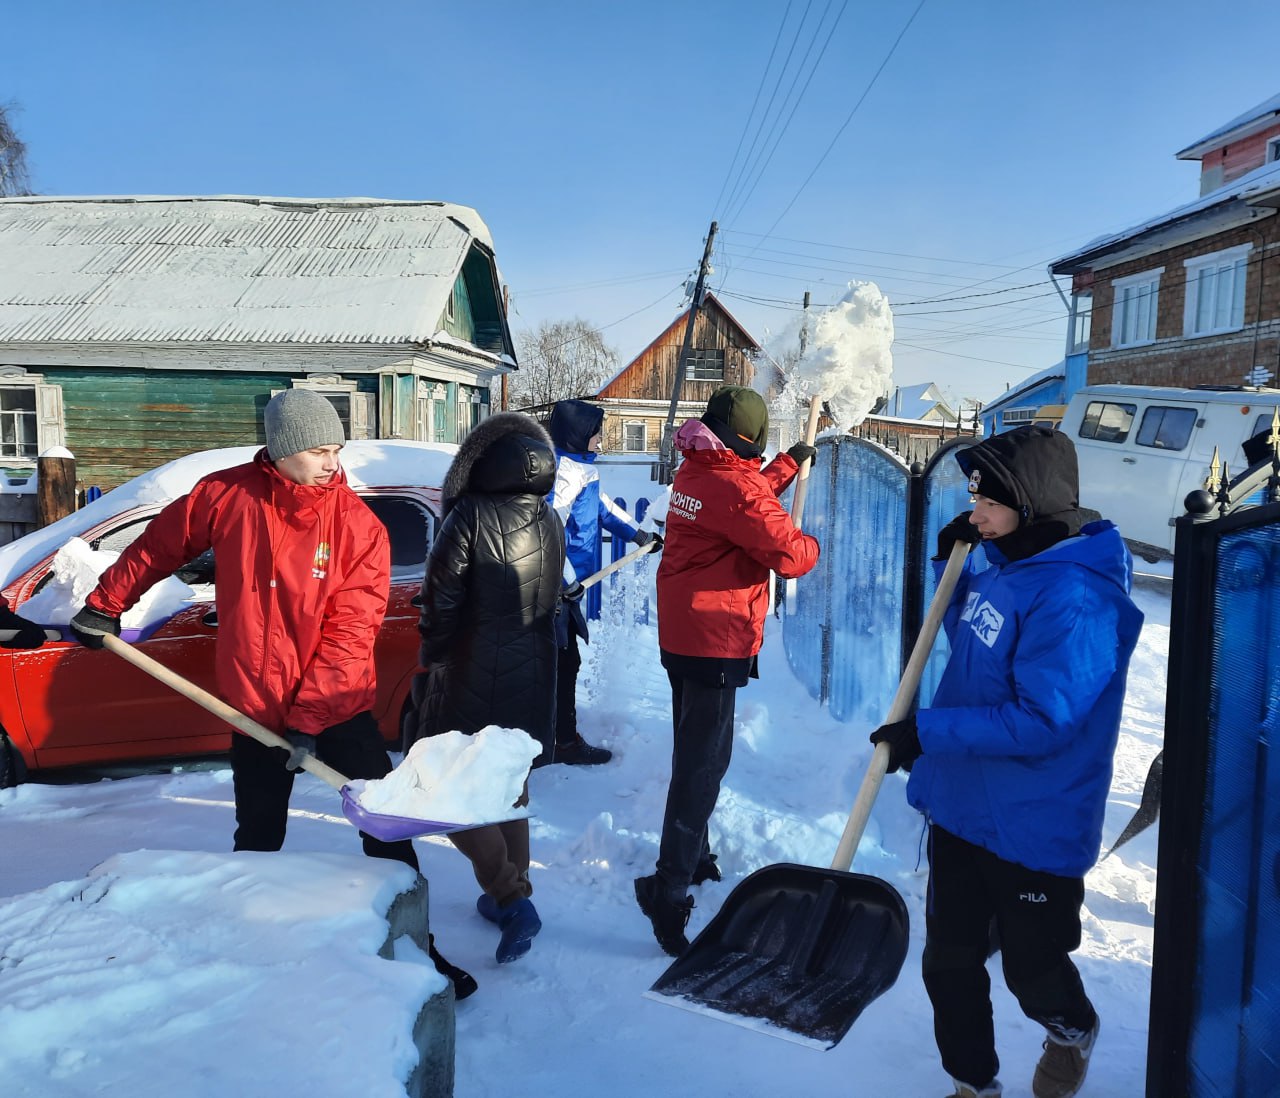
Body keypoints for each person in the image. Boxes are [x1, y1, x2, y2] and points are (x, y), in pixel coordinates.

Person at [68, 388, 476, 1000]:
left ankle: (420, 948)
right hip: (253, 706)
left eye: (336, 448)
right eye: (317, 450)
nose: (331, 462)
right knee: (258, 838)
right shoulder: (225, 495)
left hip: (338, 709)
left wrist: (310, 718)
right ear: (282, 450)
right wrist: (105, 603)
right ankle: (250, 949)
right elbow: (159, 544)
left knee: (384, 833)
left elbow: (349, 634)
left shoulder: (356, 528)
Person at [868, 426, 1143, 1098]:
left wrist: (926, 732)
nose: (974, 513)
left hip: (1033, 822)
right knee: (949, 962)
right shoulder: (1012, 564)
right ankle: (972, 1083)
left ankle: (1071, 1028)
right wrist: (948, 568)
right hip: (965, 804)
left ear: (1033, 500)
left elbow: (1043, 720)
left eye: (988, 501)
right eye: (971, 497)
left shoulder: (1076, 597)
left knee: (1031, 968)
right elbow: (968, 635)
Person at [634, 385, 820, 956]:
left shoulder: (696, 467)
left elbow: (744, 495)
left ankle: (696, 857)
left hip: (685, 632)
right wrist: (809, 538)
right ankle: (666, 893)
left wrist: (789, 466)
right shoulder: (735, 488)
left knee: (693, 753)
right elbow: (792, 554)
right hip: (715, 637)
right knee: (704, 766)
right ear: (750, 440)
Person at [406, 411, 563, 964]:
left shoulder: (468, 515)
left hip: (471, 673)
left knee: (448, 787)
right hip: (534, 672)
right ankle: (512, 896)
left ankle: (510, 896)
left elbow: (441, 597)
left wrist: (433, 653)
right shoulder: (547, 518)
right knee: (507, 783)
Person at [546, 399, 658, 766]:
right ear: (579, 434)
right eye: (596, 433)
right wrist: (563, 581)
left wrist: (638, 534)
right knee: (562, 665)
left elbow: (603, 507)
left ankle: (553, 735)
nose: (600, 439)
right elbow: (547, 534)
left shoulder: (581, 468)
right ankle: (561, 741)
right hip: (554, 592)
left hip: (567, 589)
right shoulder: (562, 474)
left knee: (565, 663)